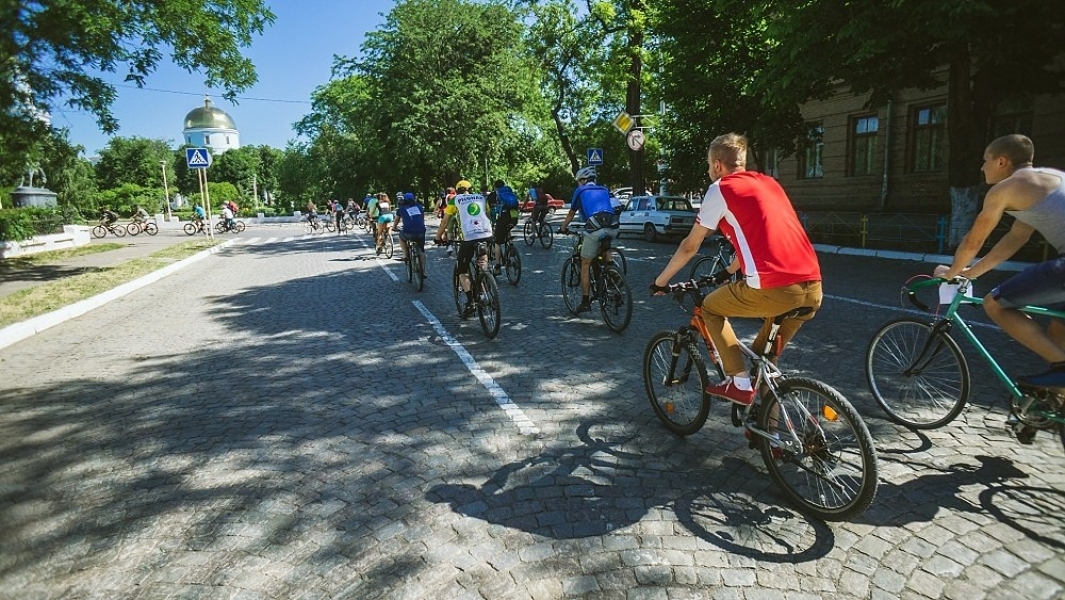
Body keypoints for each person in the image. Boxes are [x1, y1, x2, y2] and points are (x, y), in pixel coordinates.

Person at [650, 132, 822, 407]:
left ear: (718, 165)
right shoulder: (769, 184)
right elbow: (760, 236)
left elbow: (690, 246)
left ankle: (738, 382)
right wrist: (728, 270)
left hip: (775, 288)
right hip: (812, 287)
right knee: (765, 359)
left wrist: (660, 282)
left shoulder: (721, 188)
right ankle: (772, 440)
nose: (709, 171)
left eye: (708, 166)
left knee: (710, 308)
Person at [934, 134, 1065, 402]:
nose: (982, 168)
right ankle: (1054, 405)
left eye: (985, 161)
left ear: (1002, 161)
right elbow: (1016, 238)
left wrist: (950, 274)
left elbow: (973, 241)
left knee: (993, 303)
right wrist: (970, 273)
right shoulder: (1047, 179)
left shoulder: (1005, 188)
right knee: (1058, 329)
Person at [559, 166, 621, 313]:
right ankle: (614, 274)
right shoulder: (604, 189)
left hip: (595, 226)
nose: (578, 184)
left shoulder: (580, 191)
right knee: (604, 247)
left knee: (585, 262)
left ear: (583, 180)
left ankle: (585, 301)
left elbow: (571, 213)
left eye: (578, 181)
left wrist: (562, 228)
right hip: (613, 225)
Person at [434, 180, 494, 317]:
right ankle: (486, 284)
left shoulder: (455, 200)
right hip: (486, 234)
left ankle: (471, 300)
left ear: (457, 190)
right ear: (471, 189)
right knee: (483, 262)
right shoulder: (481, 198)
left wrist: (438, 237)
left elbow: (445, 220)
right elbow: (488, 215)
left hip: (468, 238)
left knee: (462, 269)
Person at [491, 179, 521, 275]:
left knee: (497, 242)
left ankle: (497, 266)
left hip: (503, 218)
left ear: (495, 186)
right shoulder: (509, 191)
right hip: (514, 217)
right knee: (507, 229)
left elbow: (490, 207)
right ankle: (510, 245)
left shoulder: (496, 194)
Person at [396, 192, 427, 267]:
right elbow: (422, 218)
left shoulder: (401, 208)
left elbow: (397, 220)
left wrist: (394, 227)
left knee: (401, 237)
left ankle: (405, 255)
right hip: (421, 231)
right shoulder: (419, 207)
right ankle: (423, 272)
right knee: (422, 251)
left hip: (408, 232)